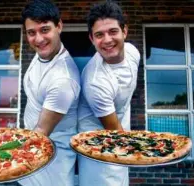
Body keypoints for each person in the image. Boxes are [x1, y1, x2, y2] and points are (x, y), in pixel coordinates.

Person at [77, 1, 140, 186]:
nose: (107, 40)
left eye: (113, 31)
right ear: (91, 39)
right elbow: (115, 133)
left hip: (121, 129)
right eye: (99, 35)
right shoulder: (95, 81)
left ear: (124, 32)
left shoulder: (133, 53)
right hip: (97, 144)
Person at [19, 0, 80, 185]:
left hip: (50, 170)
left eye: (45, 30)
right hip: (30, 162)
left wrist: (2, 153)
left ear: (59, 26)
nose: (38, 39)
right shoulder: (43, 54)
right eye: (31, 32)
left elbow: (40, 134)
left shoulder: (63, 79)